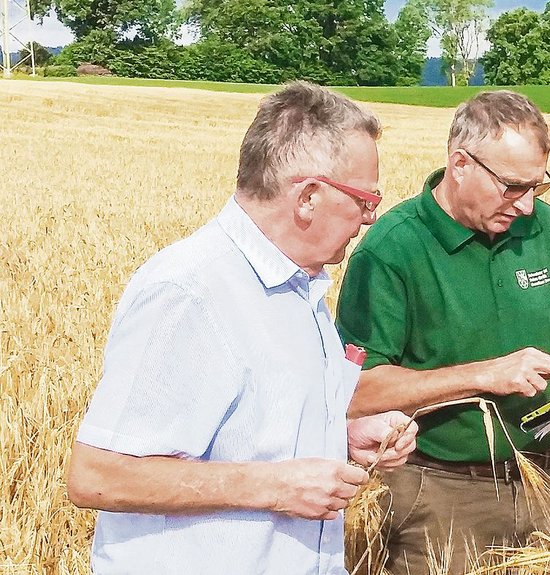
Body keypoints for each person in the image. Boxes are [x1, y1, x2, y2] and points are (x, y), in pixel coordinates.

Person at [66, 82, 419, 575]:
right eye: (364, 200)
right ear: (308, 197)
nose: (371, 218)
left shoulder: (300, 285)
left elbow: (249, 434)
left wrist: (339, 438)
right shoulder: (191, 291)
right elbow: (97, 476)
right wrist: (276, 488)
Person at [335, 90, 550, 574]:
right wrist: (485, 375)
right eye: (511, 187)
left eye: (536, 187)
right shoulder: (391, 249)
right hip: (438, 493)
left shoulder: (545, 227)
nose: (525, 205)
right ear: (460, 164)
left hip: (545, 479)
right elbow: (358, 391)